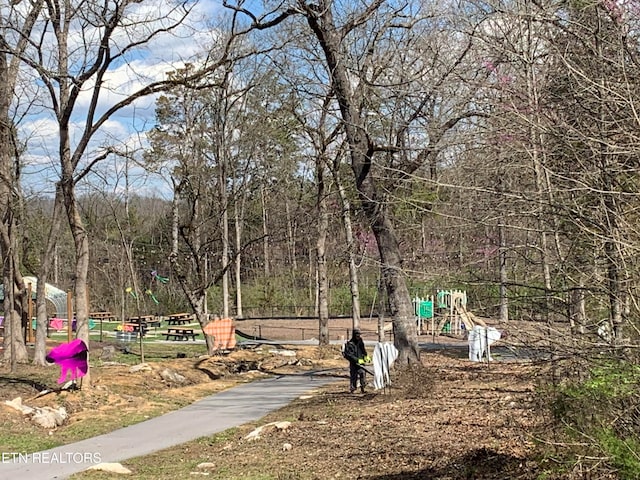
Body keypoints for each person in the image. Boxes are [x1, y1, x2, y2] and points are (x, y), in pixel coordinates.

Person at [344, 328, 369, 393]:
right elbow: (349, 355)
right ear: (354, 335)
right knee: (353, 376)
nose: (358, 336)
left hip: (361, 362)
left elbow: (363, 349)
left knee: (362, 373)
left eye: (359, 335)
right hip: (354, 363)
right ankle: (353, 389)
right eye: (357, 335)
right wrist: (357, 360)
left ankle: (363, 388)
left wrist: (366, 356)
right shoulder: (350, 344)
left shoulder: (360, 341)